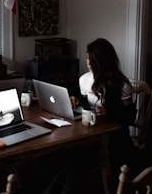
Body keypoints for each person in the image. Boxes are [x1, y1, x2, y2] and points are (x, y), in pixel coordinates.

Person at [44, 38, 145, 194]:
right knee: (73, 158)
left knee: (77, 159)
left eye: (92, 60)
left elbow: (129, 117)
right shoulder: (84, 80)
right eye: (87, 58)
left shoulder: (121, 85)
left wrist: (110, 111)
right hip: (91, 134)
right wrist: (77, 99)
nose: (88, 63)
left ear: (102, 62)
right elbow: (88, 102)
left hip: (114, 139)